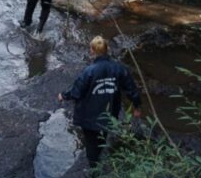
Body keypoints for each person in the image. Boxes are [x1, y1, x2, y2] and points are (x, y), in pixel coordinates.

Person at [58, 36, 142, 169]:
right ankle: (98, 160)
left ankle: (94, 169)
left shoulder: (89, 71)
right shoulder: (119, 69)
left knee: (91, 145)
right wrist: (137, 106)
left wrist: (63, 95)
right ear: (107, 49)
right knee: (102, 137)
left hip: (89, 116)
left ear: (92, 50)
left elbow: (76, 91)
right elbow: (131, 89)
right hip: (109, 114)